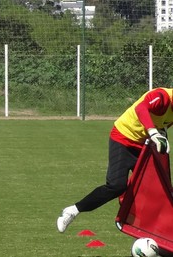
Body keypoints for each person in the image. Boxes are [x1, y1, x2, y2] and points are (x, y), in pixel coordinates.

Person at [57, 87, 173, 233]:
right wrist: (153, 132)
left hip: (143, 145)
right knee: (116, 186)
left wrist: (161, 134)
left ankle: (154, 232)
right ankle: (72, 211)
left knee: (159, 188)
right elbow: (141, 108)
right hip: (123, 138)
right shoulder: (162, 97)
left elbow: (163, 123)